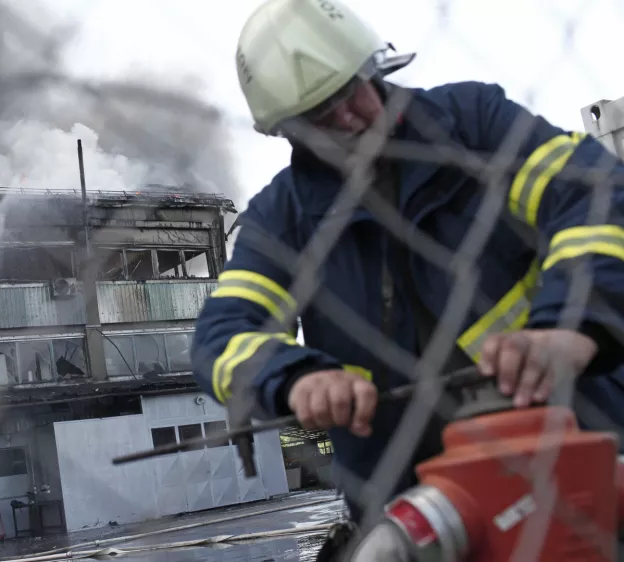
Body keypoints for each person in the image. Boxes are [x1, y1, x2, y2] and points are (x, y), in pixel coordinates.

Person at [193, 0, 624, 533]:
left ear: (372, 72)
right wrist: (297, 379)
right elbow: (223, 336)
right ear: (288, 131)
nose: (347, 120)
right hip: (417, 509)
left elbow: (593, 198)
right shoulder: (281, 221)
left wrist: (570, 325)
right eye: (320, 117)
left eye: (351, 94)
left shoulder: (474, 127)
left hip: (574, 450)